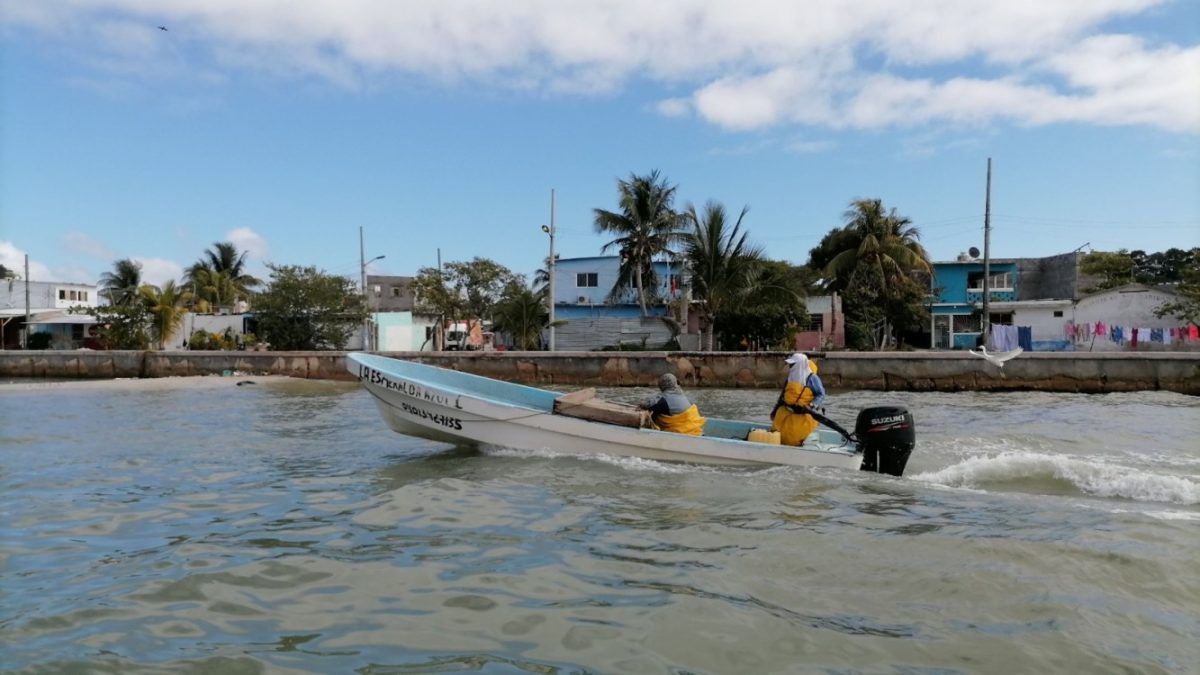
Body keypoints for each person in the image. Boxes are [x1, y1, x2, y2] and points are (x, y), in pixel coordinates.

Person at [770, 352, 826, 446]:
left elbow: (821, 394)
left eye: (793, 364)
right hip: (785, 413)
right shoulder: (790, 378)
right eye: (790, 364)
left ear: (800, 364)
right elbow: (783, 396)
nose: (791, 366)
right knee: (777, 435)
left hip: (802, 417)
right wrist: (774, 411)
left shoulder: (812, 378)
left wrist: (811, 405)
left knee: (793, 439)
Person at [638, 373, 705, 436]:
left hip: (684, 433)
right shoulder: (682, 395)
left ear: (661, 386)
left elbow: (647, 405)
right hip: (696, 431)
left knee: (656, 414)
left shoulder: (664, 401)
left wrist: (641, 404)